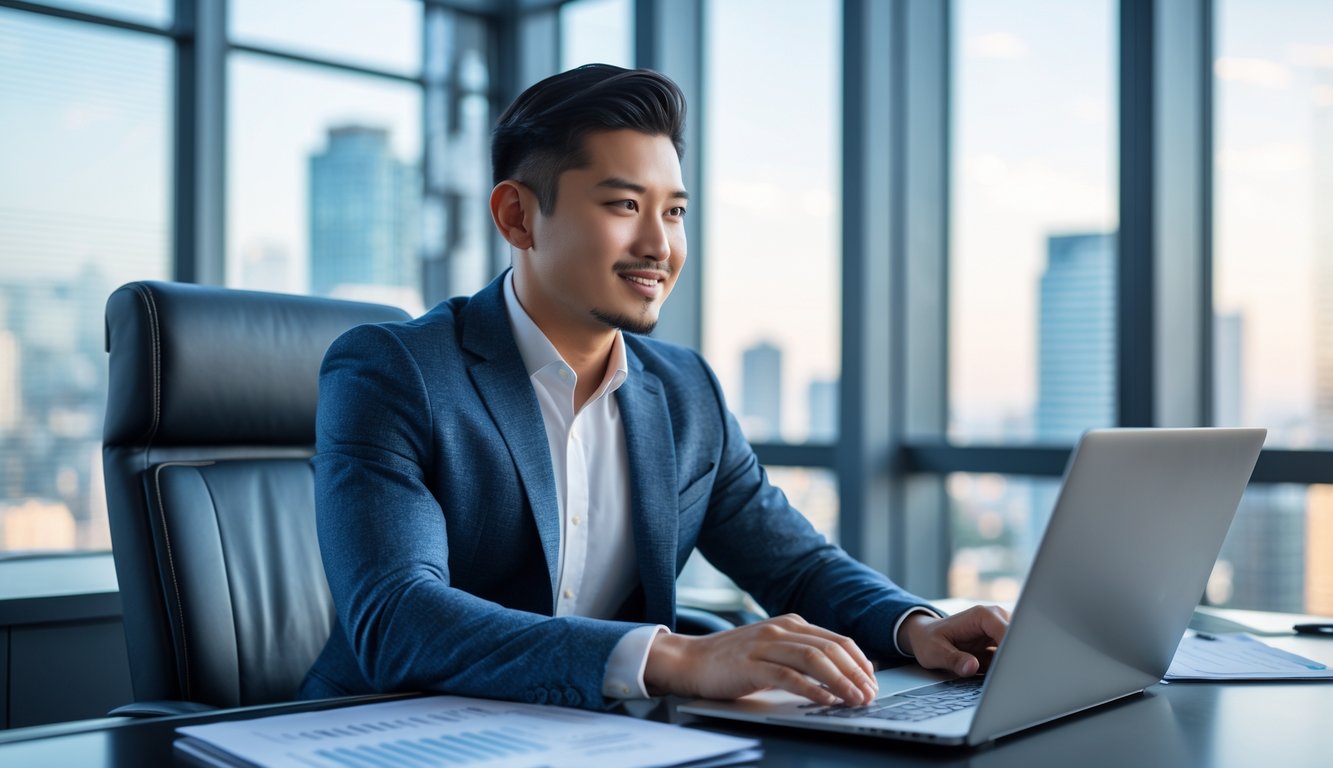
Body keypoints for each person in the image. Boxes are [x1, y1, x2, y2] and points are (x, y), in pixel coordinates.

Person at [300, 64, 1008, 711]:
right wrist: (670, 657)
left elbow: (795, 567)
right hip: (388, 731)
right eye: (622, 206)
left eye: (673, 212)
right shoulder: (395, 370)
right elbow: (397, 615)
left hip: (604, 740)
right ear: (517, 216)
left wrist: (917, 626)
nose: (659, 246)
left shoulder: (684, 390)